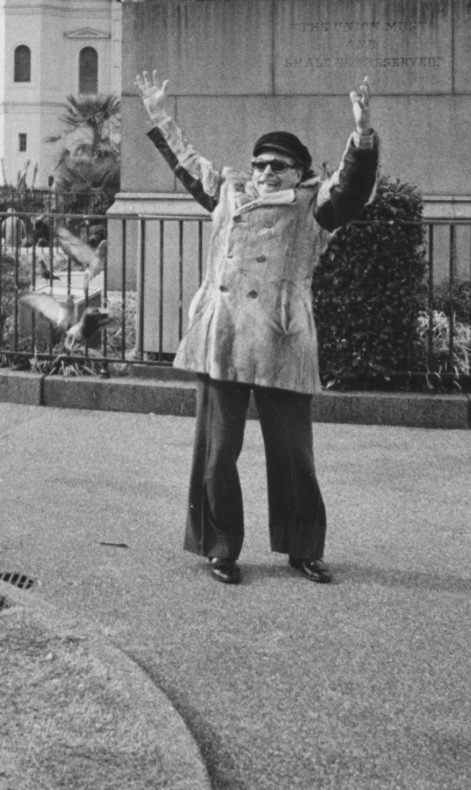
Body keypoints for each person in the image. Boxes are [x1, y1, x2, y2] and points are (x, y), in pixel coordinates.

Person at [136, 70, 378, 587]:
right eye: (260, 164)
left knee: (292, 453)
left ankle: (302, 547)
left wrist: (361, 136)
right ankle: (219, 548)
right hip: (221, 334)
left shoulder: (315, 206)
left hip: (281, 336)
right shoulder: (226, 194)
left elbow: (354, 188)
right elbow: (186, 163)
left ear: (300, 173)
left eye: (279, 166)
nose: (266, 172)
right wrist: (160, 115)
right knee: (217, 449)